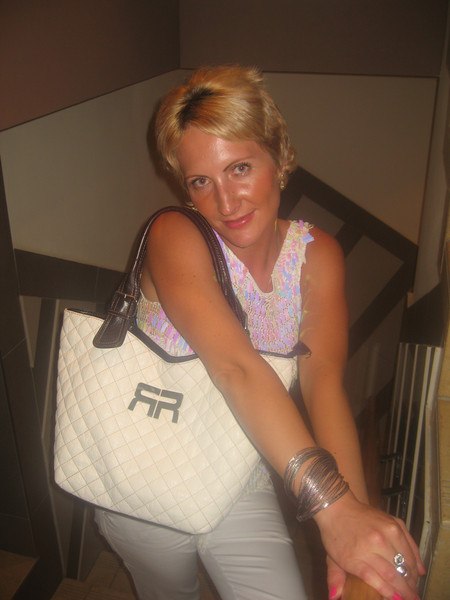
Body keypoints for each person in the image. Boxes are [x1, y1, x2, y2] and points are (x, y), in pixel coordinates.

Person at [95, 65, 425, 600]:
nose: (225, 203)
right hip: (144, 477)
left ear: (280, 157)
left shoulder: (317, 255)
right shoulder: (175, 234)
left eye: (240, 168)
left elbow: (324, 383)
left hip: (238, 475)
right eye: (201, 181)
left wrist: (353, 518)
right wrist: (333, 508)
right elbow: (235, 367)